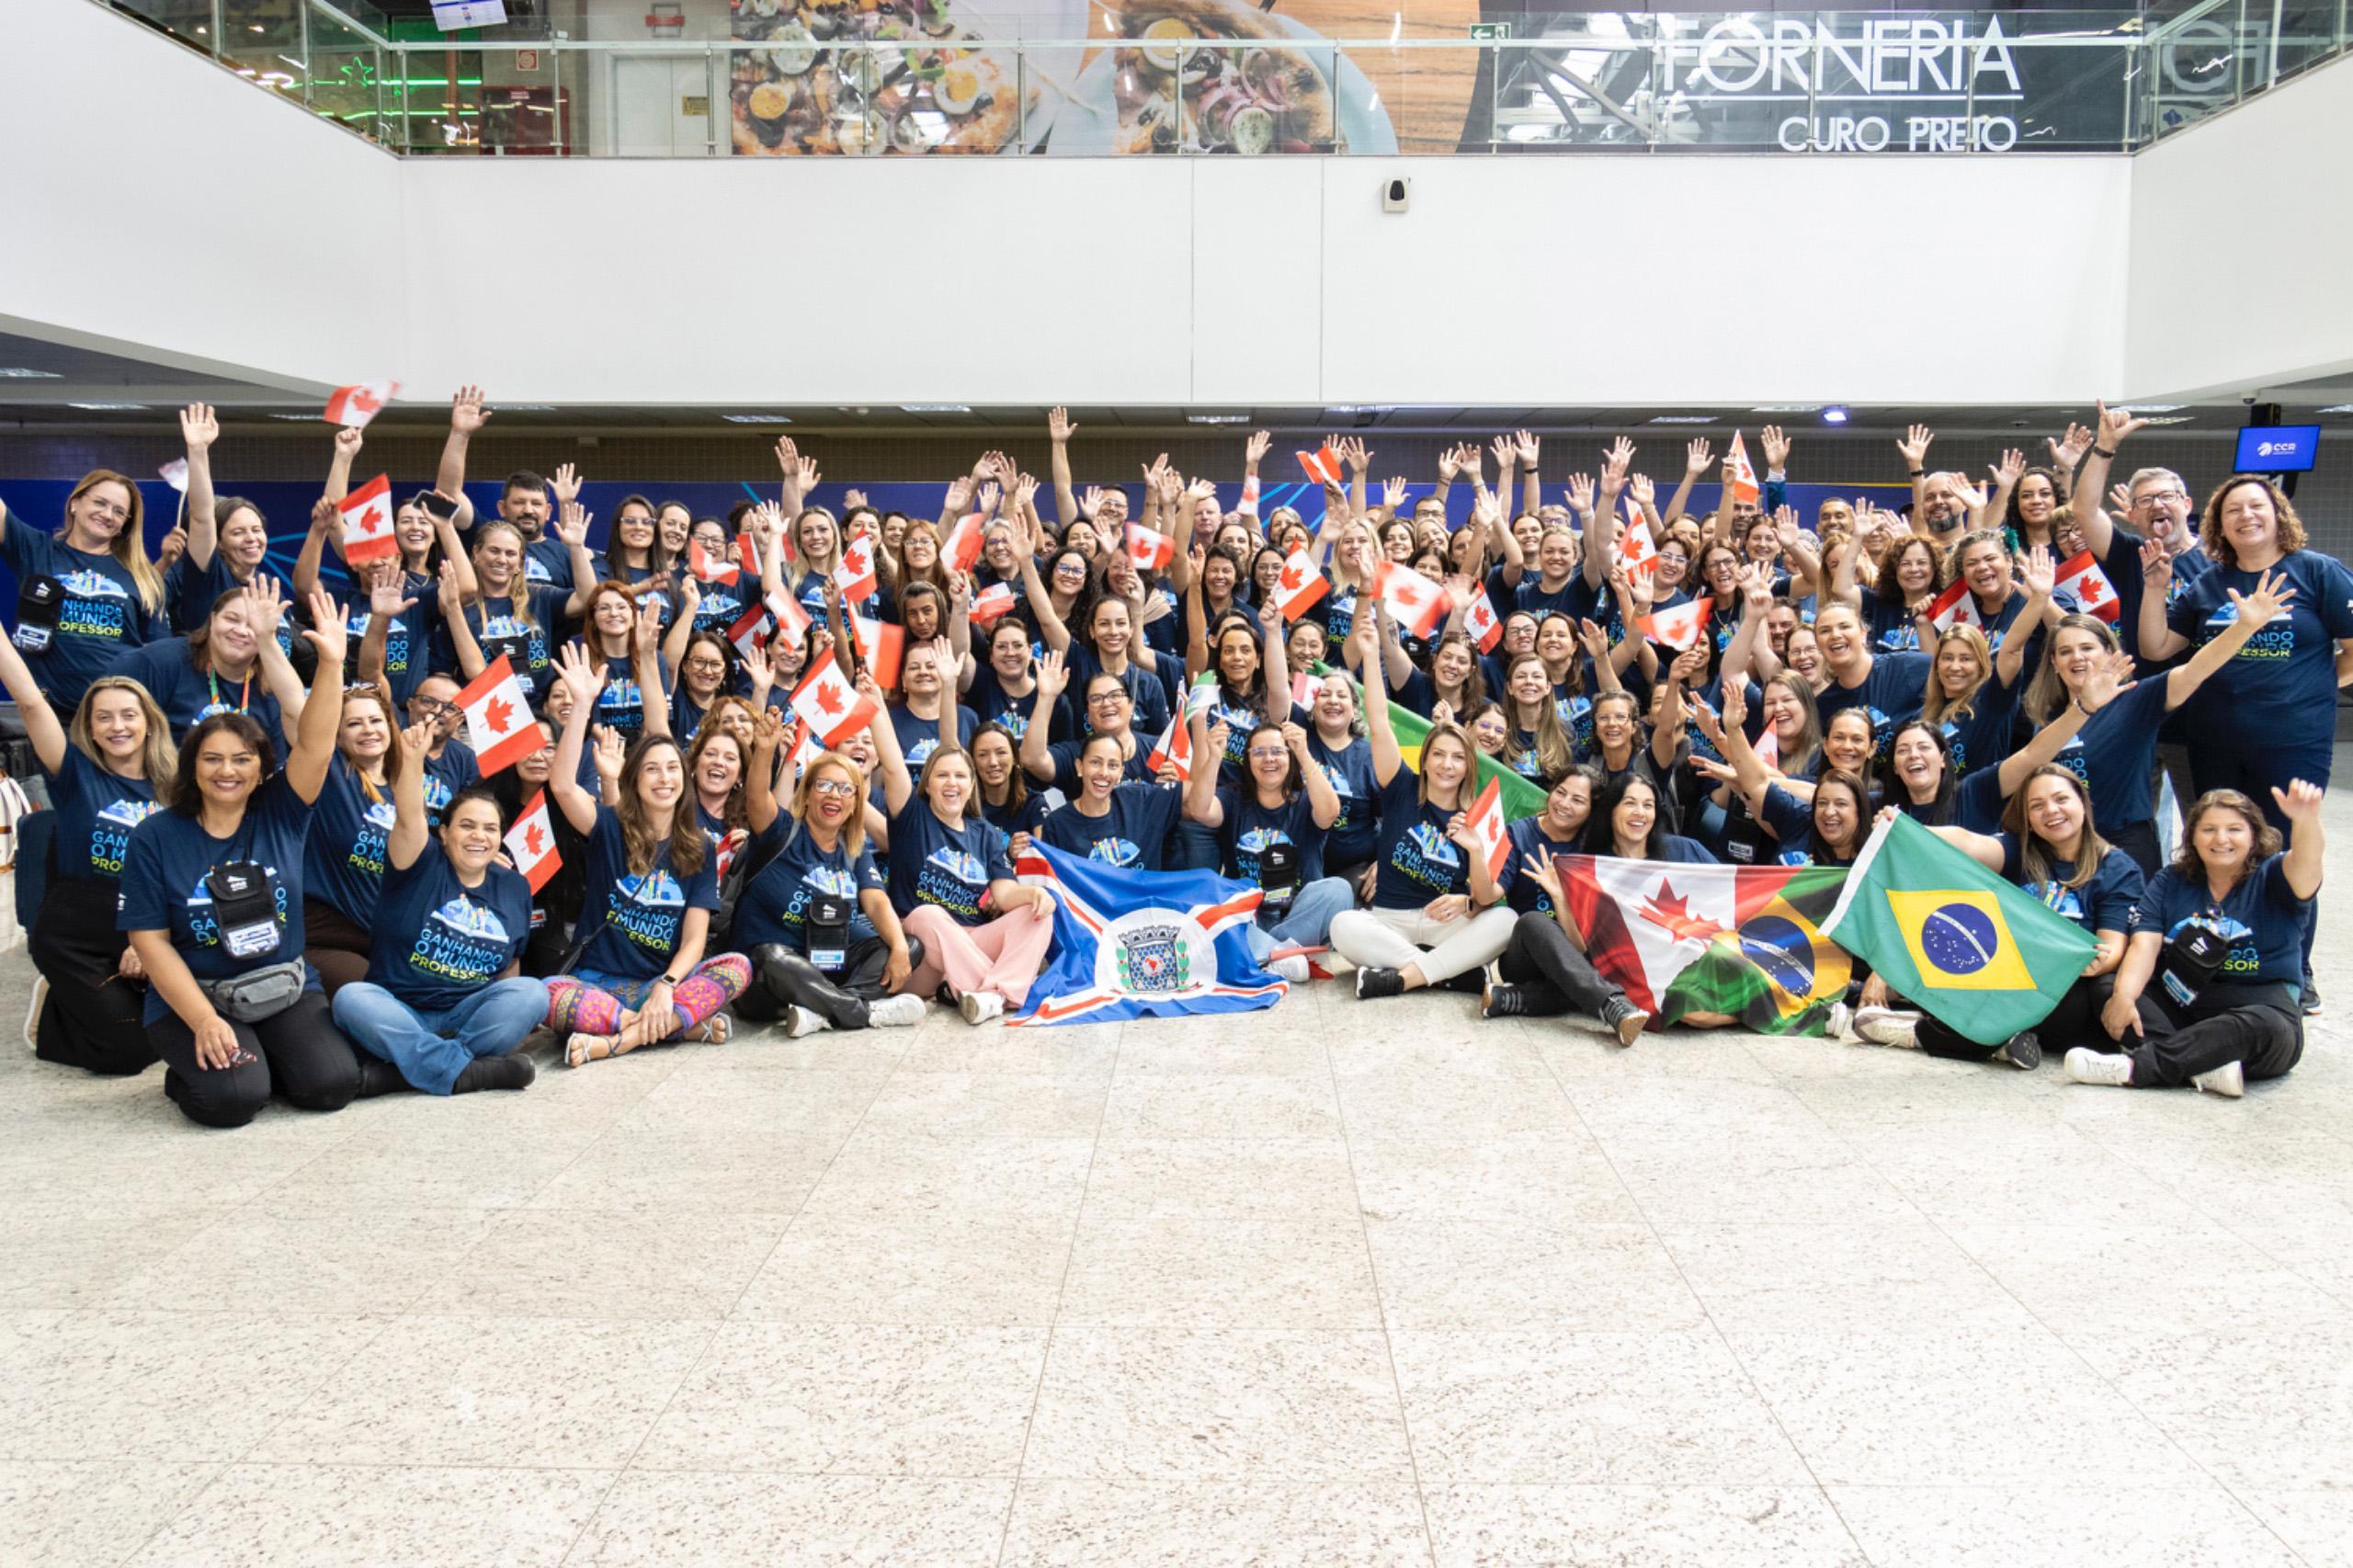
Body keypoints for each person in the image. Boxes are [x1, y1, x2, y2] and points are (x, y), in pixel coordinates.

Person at [117, 589, 359, 1129]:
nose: (227, 771)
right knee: (232, 1102)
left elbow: (317, 744)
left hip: (282, 986)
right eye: (212, 759)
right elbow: (149, 942)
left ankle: (265, 1057)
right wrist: (203, 1021)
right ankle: (190, 1070)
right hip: (198, 995)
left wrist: (332, 663)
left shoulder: (282, 811)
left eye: (242, 759)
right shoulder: (155, 836)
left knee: (332, 1085)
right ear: (191, 765)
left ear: (261, 767)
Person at [2142, 475, 2353, 1012]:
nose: (2246, 516)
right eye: (2233, 510)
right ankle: (2226, 956)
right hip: (2216, 741)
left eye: (2256, 506)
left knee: (2286, 849)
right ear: (2218, 524)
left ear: (2277, 513)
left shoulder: (2317, 573)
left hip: (2293, 742)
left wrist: (2317, 684)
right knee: (2224, 847)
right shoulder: (2210, 584)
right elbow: (2159, 645)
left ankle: (2293, 968)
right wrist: (2154, 586)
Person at [544, 645, 751, 1065]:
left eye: (673, 768)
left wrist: (668, 984)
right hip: (598, 984)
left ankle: (619, 1040)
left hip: (660, 982)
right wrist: (582, 704)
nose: (664, 778)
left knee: (737, 966)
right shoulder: (608, 827)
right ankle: (672, 1027)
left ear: (685, 778)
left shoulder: (700, 846)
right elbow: (564, 786)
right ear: (634, 780)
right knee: (545, 995)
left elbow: (695, 940)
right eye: (652, 769)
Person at [2023, 570, 2296, 873]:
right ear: (2054, 664)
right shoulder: (2045, 715)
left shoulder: (2138, 699)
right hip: (2057, 845)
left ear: (2110, 653)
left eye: (2087, 648)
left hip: (2123, 844)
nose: (2077, 658)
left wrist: (2244, 628)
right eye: (2065, 651)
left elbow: (2196, 670)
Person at [2065, 782, 2325, 1097]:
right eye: (2209, 830)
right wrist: (2123, 997)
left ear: (2254, 835)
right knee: (2110, 988)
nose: (2221, 839)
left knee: (2262, 1024)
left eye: (2234, 829)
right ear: (2192, 837)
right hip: (2183, 1006)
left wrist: (2305, 821)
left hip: (2260, 1008)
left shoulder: (2275, 876)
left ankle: (2135, 1068)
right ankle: (2203, 1066)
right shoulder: (2171, 880)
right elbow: (2145, 944)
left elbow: (2308, 862)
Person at [1880, 767, 2147, 1071]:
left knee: (2066, 1001)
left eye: (2061, 799)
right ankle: (2006, 1040)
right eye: (2037, 805)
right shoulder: (2020, 851)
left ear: (2083, 804)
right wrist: (1904, 828)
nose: (2051, 811)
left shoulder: (2118, 868)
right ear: (2028, 818)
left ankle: (1918, 1033)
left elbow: (2112, 947)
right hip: (2011, 978)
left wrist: (2094, 961)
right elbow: (1968, 842)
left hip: (2067, 988)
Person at [327, 724, 544, 1095]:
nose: (479, 836)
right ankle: (468, 1070)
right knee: (352, 999)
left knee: (532, 994)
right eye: (467, 826)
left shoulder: (514, 886)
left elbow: (510, 966)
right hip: (401, 1008)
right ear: (443, 833)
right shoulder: (418, 863)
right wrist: (411, 760)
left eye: (490, 829)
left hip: (468, 1015)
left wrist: (511, 1019)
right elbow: (410, 815)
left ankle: (404, 1070)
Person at [0, 633, 174, 1074]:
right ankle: (56, 1006)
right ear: (90, 728)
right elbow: (31, 703)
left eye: (128, 715)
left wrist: (151, 940)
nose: (118, 726)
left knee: (177, 1033)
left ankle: (83, 995)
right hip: (78, 930)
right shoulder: (73, 770)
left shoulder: (177, 785)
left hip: (147, 922)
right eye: (104, 717)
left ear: (149, 722)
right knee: (132, 1052)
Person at [1327, 622, 1516, 998]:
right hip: (1389, 920)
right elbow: (1379, 723)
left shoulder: (1480, 813)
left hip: (1445, 923)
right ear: (1425, 760)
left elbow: (1487, 896)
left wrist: (1476, 850)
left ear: (1468, 767)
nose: (1447, 765)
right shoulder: (1401, 788)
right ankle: (1447, 974)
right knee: (1342, 924)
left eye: (1458, 758)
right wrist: (1369, 655)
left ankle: (1402, 977)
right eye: (1439, 755)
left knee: (1507, 921)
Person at [733, 710, 928, 1037]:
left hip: (829, 967)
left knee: (908, 945)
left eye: (845, 789)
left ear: (855, 804)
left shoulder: (854, 853)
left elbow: (878, 904)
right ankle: (858, 1011)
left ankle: (821, 1012)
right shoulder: (781, 831)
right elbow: (756, 798)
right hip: (767, 983)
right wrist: (765, 750)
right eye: (824, 785)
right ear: (807, 794)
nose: (834, 794)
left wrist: (896, 946)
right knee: (772, 957)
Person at [884, 728, 1057, 1026]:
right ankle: (1001, 991)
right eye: (942, 776)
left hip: (973, 938)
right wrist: (875, 701)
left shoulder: (984, 832)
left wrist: (1033, 894)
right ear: (927, 784)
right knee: (929, 915)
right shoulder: (913, 816)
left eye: (961, 776)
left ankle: (989, 995)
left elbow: (1003, 894)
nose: (952, 782)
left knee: (1037, 914)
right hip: (924, 950)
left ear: (971, 784)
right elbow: (890, 763)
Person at [1182, 711, 1348, 983]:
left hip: (1298, 910)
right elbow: (1200, 810)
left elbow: (1331, 812)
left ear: (1289, 758)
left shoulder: (1307, 800)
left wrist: (1304, 754)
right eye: (1259, 752)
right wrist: (1214, 756)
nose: (1269, 759)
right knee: (1214, 904)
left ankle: (1265, 953)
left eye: (1277, 752)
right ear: (1248, 760)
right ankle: (1284, 954)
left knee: (1339, 890)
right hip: (1250, 914)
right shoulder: (1233, 797)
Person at [0, 472, 168, 717]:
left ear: (125, 524)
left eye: (119, 511)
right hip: (46, 716)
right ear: (74, 503)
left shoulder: (144, 578)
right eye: (100, 503)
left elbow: (161, 659)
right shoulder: (36, 551)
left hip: (115, 720)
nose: (108, 514)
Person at [300, 677, 411, 995]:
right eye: (354, 724)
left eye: (376, 720)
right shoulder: (331, 776)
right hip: (329, 937)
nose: (368, 730)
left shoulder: (406, 789)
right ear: (336, 735)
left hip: (389, 938)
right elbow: (296, 711)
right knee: (380, 995)